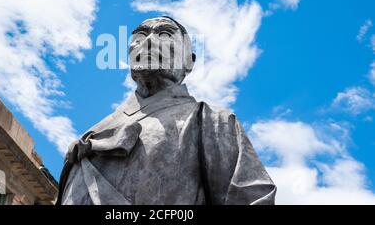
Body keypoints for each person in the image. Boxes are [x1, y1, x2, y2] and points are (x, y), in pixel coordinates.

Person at [57, 16, 276, 205]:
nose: (149, 42)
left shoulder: (211, 121)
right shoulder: (95, 131)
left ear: (189, 61)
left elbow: (253, 198)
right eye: (140, 36)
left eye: (164, 34)